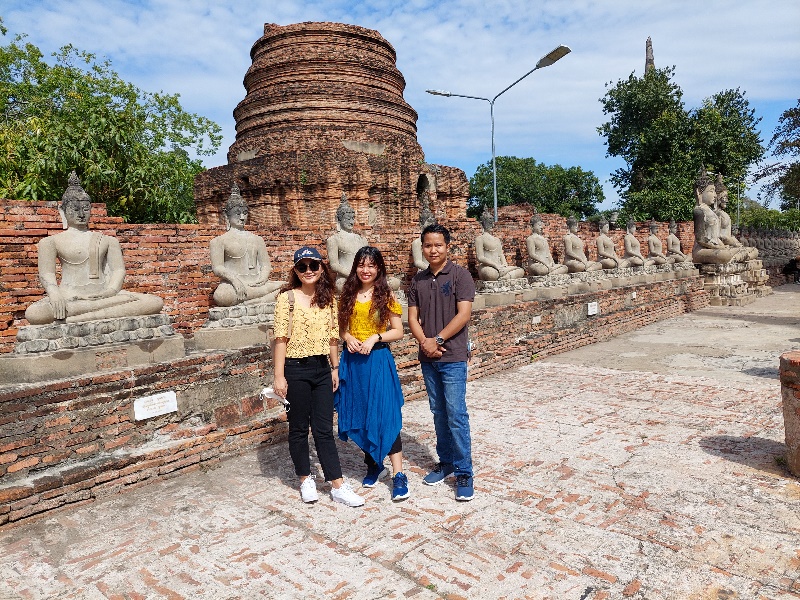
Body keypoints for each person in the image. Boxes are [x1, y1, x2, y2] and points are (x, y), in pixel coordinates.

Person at [272, 246, 364, 507]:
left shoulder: (329, 299)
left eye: (313, 266)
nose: (309, 271)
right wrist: (279, 376)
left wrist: (335, 367)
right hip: (295, 368)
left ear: (322, 268)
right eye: (303, 267)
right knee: (299, 428)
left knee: (324, 429)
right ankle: (305, 479)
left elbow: (334, 337)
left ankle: (337, 484)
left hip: (322, 368)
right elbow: (280, 339)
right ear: (296, 270)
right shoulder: (286, 299)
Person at [25, 171, 163, 324]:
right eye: (75, 209)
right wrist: (55, 295)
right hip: (71, 299)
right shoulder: (51, 242)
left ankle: (79, 320)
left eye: (85, 208)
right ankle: (94, 316)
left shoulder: (108, 240)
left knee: (154, 302)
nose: (81, 213)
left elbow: (119, 270)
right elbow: (47, 274)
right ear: (62, 211)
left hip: (106, 298)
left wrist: (109, 292)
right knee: (35, 313)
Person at [407, 224, 476, 501]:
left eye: (438, 245)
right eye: (427, 245)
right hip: (428, 356)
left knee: (456, 414)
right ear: (422, 248)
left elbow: (464, 314)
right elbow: (412, 317)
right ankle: (446, 461)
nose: (432, 250)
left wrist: (437, 339)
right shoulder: (418, 280)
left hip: (453, 355)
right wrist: (426, 342)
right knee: (438, 412)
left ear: (448, 246)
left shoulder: (460, 276)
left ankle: (464, 471)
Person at [335, 246, 408, 501]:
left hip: (377, 360)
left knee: (385, 414)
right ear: (355, 267)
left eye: (371, 266)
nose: (366, 270)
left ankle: (399, 475)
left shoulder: (385, 294)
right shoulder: (347, 294)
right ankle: (373, 464)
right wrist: (348, 338)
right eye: (362, 265)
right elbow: (340, 328)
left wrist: (376, 337)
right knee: (362, 412)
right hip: (354, 363)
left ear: (379, 269)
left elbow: (398, 330)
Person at [210, 184, 282, 306]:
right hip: (234, 286)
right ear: (227, 215)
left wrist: (262, 278)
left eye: (245, 213)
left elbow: (265, 265)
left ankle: (257, 301)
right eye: (237, 214)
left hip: (257, 284)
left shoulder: (257, 239)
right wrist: (235, 280)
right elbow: (218, 268)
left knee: (289, 287)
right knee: (222, 296)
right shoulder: (218, 241)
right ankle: (262, 299)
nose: (242, 217)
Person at [474, 208, 525, 281]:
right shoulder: (479, 239)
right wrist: (495, 265)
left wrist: (504, 265)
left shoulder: (496, 240)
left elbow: (501, 255)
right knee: (490, 274)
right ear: (483, 224)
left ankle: (504, 277)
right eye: (489, 222)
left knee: (520, 271)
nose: (492, 225)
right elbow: (480, 258)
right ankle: (505, 276)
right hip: (488, 267)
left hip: (500, 267)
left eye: (492, 222)